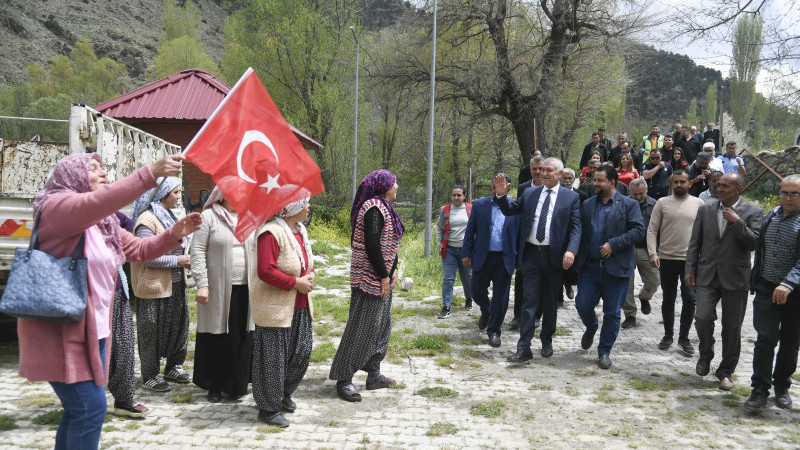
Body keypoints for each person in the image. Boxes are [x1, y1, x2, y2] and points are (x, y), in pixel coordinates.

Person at [17, 153, 199, 450]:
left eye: (104, 169)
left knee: (79, 411)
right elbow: (96, 203)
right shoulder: (56, 207)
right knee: (91, 410)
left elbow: (140, 250)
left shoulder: (103, 222)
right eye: (93, 169)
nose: (103, 174)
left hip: (94, 332)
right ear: (72, 177)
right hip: (61, 330)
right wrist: (150, 173)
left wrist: (173, 234)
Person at [493, 158, 581, 360]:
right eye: (541, 170)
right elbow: (511, 210)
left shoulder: (570, 198)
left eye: (549, 170)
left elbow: (576, 227)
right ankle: (523, 347)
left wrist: (571, 251)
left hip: (554, 256)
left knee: (550, 302)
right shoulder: (530, 193)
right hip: (531, 254)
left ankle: (547, 339)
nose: (544, 173)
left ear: (559, 174)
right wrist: (501, 195)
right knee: (529, 300)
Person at [330, 170, 404, 402]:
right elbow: (372, 245)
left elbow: (388, 242)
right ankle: (344, 378)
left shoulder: (382, 206)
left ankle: (374, 375)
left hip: (382, 279)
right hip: (369, 280)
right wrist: (383, 275)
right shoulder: (373, 208)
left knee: (382, 327)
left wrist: (393, 270)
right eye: (394, 183)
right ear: (383, 186)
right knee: (361, 329)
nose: (397, 187)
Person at [686, 172, 763, 391]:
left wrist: (737, 222)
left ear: (739, 189)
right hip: (707, 274)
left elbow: (754, 243)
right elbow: (695, 242)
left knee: (732, 327)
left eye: (726, 186)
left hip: (735, 277)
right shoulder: (706, 209)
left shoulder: (753, 212)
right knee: (702, 316)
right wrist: (690, 268)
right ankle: (705, 353)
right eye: (719, 185)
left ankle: (725, 371)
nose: (720, 189)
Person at [251, 198, 315, 427]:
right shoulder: (271, 233)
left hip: (299, 304)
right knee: (272, 359)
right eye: (305, 203)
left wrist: (310, 275)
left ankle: (283, 393)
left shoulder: (300, 231)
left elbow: (306, 262)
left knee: (302, 350)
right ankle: (268, 407)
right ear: (293, 208)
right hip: (274, 306)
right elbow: (265, 270)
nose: (308, 207)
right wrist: (296, 282)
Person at [574, 166, 645, 369]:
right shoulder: (587, 204)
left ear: (612, 182)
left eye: (600, 180)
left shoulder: (629, 204)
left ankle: (604, 351)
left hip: (617, 268)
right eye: (594, 180)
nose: (595, 184)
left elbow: (638, 231)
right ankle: (591, 326)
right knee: (583, 304)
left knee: (612, 313)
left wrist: (614, 244)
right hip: (590, 267)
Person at [190, 187, 256, 403]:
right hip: (217, 287)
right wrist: (202, 284)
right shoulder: (208, 217)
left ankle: (237, 385)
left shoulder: (250, 217)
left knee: (241, 335)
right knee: (217, 334)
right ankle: (215, 386)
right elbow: (197, 250)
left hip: (246, 287)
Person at [130, 177, 193, 392]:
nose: (178, 196)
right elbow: (145, 255)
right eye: (175, 192)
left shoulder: (170, 216)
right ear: (163, 194)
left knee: (178, 327)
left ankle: (174, 366)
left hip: (176, 285)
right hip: (153, 287)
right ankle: (150, 374)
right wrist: (177, 261)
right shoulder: (147, 220)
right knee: (151, 330)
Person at [744, 175, 800, 410]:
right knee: (765, 339)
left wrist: (788, 283)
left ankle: (781, 385)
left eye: (794, 193)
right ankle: (759, 389)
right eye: (784, 192)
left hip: (795, 293)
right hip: (767, 288)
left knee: (790, 342)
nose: (787, 197)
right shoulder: (773, 215)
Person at [647, 170, 705, 355]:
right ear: (671, 183)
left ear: (689, 183)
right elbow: (652, 230)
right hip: (667, 258)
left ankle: (684, 337)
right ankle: (668, 335)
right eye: (676, 182)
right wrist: (652, 253)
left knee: (690, 299)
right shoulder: (662, 203)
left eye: (683, 181)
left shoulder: (699, 203)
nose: (679, 185)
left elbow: (705, 232)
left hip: (690, 261)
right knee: (668, 298)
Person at [462, 174, 519, 348]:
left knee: (501, 297)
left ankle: (494, 331)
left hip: (504, 258)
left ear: (508, 187)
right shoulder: (480, 205)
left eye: (501, 185)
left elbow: (520, 234)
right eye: (494, 185)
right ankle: (486, 311)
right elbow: (470, 230)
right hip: (483, 256)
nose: (496, 188)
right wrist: (466, 252)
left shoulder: (515, 207)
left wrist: (519, 258)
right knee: (476, 289)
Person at [108, 212, 149, 417]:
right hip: (85, 296)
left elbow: (128, 225)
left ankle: (123, 399)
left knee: (123, 346)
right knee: (88, 352)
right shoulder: (73, 212)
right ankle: (82, 402)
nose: (104, 178)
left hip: (116, 291)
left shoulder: (107, 213)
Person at [511, 156, 545, 330]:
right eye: (534, 169)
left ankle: (537, 315)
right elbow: (518, 213)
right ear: (530, 170)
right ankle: (517, 315)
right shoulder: (524, 188)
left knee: (541, 282)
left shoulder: (551, 188)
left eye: (540, 168)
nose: (538, 172)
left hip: (544, 244)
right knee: (521, 279)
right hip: (526, 241)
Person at [621, 179, 659, 329]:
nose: (638, 197)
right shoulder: (623, 204)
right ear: (629, 192)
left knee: (655, 281)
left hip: (647, 250)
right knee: (626, 285)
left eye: (641, 194)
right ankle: (630, 315)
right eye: (634, 194)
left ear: (647, 191)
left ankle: (644, 296)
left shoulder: (655, 204)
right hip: (627, 249)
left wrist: (657, 250)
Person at [436, 186, 473, 318]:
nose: (456, 198)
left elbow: (476, 229)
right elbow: (439, 228)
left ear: (464, 196)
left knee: (467, 277)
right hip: (449, 250)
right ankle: (446, 307)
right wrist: (439, 243)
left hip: (466, 251)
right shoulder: (445, 210)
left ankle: (469, 298)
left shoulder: (470, 209)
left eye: (459, 195)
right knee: (448, 278)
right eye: (454, 195)